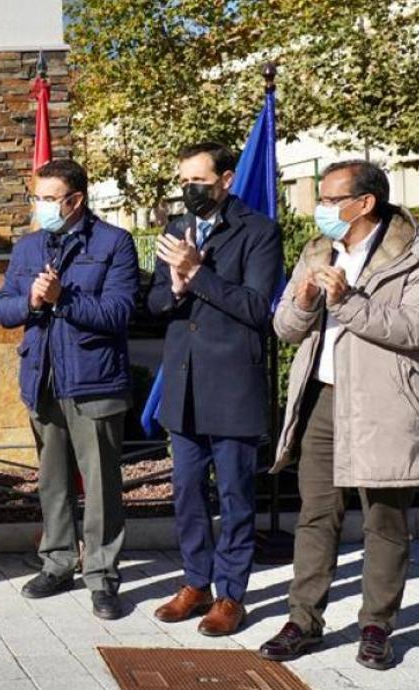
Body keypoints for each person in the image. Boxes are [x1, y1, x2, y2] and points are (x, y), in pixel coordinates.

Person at [258, 161, 419, 671]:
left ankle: (376, 626)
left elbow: (411, 329)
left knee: (385, 520)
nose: (320, 209)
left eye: (329, 199)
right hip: (322, 399)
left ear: (364, 203)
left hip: (384, 401)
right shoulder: (317, 250)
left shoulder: (410, 256)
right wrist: (305, 302)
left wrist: (346, 302)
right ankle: (302, 621)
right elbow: (285, 327)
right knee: (315, 516)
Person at [147, 142, 282, 637]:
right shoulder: (173, 230)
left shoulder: (259, 231)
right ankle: (195, 582)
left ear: (226, 180)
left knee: (235, 493)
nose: (189, 190)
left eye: (198, 181)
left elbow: (255, 307)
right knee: (185, 490)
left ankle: (231, 595)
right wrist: (177, 288)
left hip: (232, 385)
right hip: (183, 385)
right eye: (183, 179)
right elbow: (155, 302)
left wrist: (198, 273)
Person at [0, 158, 138, 620]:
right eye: (37, 197)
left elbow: (118, 314)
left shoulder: (114, 243)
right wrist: (31, 301)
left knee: (101, 487)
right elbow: (2, 309)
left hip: (94, 381)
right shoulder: (28, 247)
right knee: (52, 482)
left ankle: (102, 576)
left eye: (49, 198)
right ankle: (57, 563)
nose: (41, 206)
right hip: (42, 379)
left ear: (75, 200)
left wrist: (64, 300)